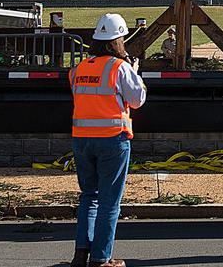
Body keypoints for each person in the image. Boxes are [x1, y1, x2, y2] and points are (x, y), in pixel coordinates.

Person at [68, 14, 147, 267]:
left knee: (89, 197)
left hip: (82, 141)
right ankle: (101, 258)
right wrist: (134, 72)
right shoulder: (119, 67)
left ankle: (81, 254)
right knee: (109, 202)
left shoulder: (78, 69)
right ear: (117, 41)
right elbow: (137, 100)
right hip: (112, 140)